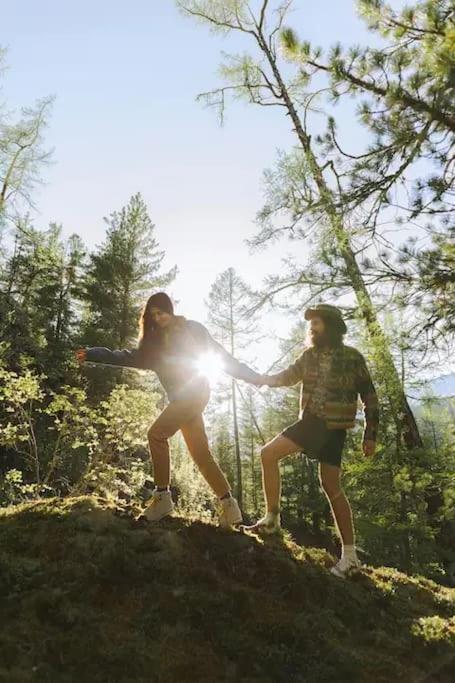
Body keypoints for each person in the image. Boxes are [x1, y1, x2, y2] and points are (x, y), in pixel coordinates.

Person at [75, 292, 261, 527]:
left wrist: (252, 376)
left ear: (170, 310)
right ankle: (229, 506)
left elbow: (221, 357)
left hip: (195, 392)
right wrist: (93, 354)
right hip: (183, 400)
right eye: (153, 315)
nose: (158, 317)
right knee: (201, 455)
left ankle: (162, 497)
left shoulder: (193, 329)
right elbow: (126, 357)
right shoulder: (154, 347)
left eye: (161, 311)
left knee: (156, 434)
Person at [247, 304, 379, 578]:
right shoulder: (309, 356)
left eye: (317, 323)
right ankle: (272, 520)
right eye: (311, 324)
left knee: (331, 486)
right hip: (311, 423)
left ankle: (350, 556)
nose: (312, 328)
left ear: (331, 326)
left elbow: (370, 396)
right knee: (269, 455)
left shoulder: (353, 358)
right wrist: (263, 379)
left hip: (333, 428)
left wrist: (370, 434)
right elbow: (288, 376)